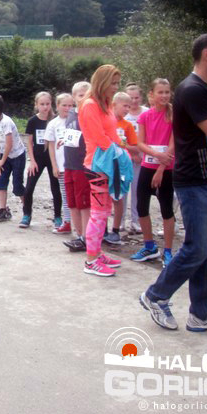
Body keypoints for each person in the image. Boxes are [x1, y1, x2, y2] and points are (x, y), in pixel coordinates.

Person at [141, 33, 207, 332]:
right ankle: (155, 296)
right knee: (197, 248)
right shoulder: (192, 90)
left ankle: (201, 313)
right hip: (196, 181)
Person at [77, 65, 124, 277]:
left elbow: (111, 134)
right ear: (102, 82)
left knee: (104, 212)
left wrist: (120, 149)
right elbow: (99, 138)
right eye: (113, 83)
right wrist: (120, 153)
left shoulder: (104, 104)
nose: (116, 87)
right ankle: (90, 261)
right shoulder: (90, 105)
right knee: (97, 214)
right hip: (97, 165)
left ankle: (97, 254)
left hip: (107, 163)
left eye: (117, 83)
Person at [131, 79, 176, 268]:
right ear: (152, 94)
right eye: (160, 92)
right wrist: (155, 155)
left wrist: (161, 168)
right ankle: (149, 246)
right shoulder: (145, 116)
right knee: (141, 206)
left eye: (167, 92)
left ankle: (168, 251)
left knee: (166, 209)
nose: (164, 95)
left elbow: (174, 143)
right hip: (147, 166)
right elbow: (140, 142)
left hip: (167, 169)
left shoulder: (174, 115)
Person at [21, 91, 62, 228]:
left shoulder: (56, 121)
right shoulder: (33, 121)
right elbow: (29, 142)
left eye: (47, 104)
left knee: (55, 188)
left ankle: (57, 217)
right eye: (42, 104)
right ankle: (27, 215)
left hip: (53, 159)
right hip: (37, 158)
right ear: (36, 105)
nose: (45, 107)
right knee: (29, 188)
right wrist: (32, 161)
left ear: (51, 104)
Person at [61, 82, 92, 251]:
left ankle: (87, 238)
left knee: (84, 203)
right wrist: (63, 140)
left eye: (87, 95)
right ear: (74, 97)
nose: (84, 98)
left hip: (82, 165)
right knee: (72, 202)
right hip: (69, 163)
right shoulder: (72, 113)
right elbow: (72, 135)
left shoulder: (90, 114)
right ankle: (78, 235)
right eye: (80, 95)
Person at [0, 94, 26, 223]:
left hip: (17, 156)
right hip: (4, 155)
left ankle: (27, 210)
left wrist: (2, 160)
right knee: (1, 183)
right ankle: (3, 211)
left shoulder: (6, 122)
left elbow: (9, 144)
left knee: (17, 186)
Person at [109, 92, 140, 244]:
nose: (128, 109)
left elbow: (135, 147)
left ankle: (116, 229)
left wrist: (123, 144)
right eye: (125, 106)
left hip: (120, 165)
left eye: (129, 106)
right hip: (104, 164)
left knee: (118, 196)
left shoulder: (127, 125)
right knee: (103, 198)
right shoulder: (105, 121)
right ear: (114, 105)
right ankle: (102, 229)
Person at [45, 93, 73, 233]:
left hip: (76, 165)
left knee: (77, 196)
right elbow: (51, 146)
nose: (67, 108)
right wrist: (54, 166)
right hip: (61, 165)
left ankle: (81, 224)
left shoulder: (77, 121)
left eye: (70, 105)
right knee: (66, 195)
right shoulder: (53, 124)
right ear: (57, 106)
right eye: (64, 105)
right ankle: (67, 222)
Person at [124, 83, 149, 233]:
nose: (134, 101)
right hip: (125, 157)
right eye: (130, 98)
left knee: (137, 190)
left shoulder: (146, 112)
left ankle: (136, 220)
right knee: (122, 191)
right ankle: (120, 222)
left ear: (141, 97)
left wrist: (140, 152)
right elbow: (118, 136)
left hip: (142, 157)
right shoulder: (122, 113)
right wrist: (132, 152)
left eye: (136, 97)